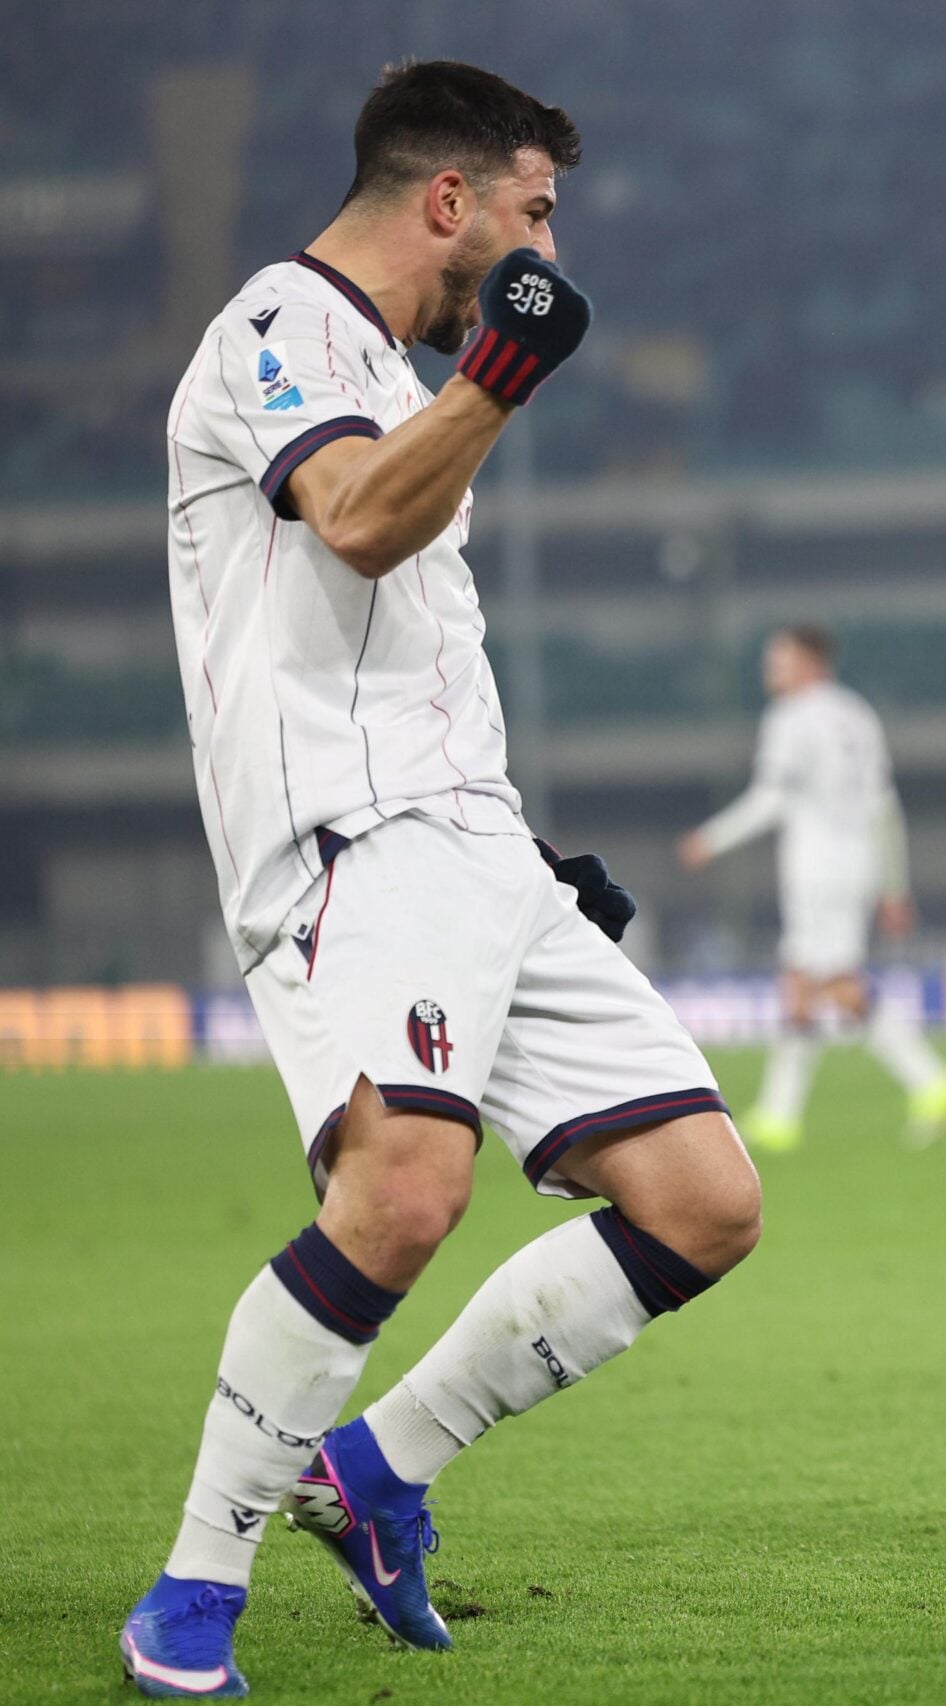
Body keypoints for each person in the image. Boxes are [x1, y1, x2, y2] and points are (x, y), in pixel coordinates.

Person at [130, 62, 760, 1698]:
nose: (550, 247)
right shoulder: (278, 329)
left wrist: (520, 859)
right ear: (448, 201)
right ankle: (192, 1588)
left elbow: (397, 643)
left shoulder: (402, 376)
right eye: (536, 212)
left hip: (469, 838)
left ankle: (378, 1469)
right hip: (350, 838)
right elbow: (352, 521)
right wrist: (501, 374)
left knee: (703, 1201)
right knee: (405, 1192)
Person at [678, 626, 946, 1149]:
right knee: (801, 981)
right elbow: (883, 806)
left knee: (833, 982)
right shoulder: (857, 713)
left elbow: (771, 799)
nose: (771, 670)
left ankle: (930, 1080)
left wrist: (711, 839)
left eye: (781, 660)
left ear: (812, 663)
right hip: (856, 862)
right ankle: (780, 1115)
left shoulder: (791, 718)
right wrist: (893, 883)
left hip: (816, 865)